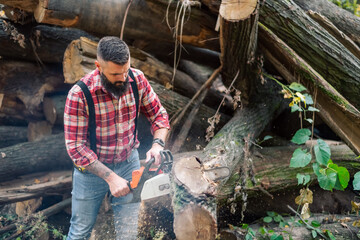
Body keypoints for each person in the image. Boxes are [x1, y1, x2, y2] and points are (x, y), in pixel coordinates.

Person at [64, 36, 170, 240]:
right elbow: (75, 148)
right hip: (90, 172)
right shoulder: (80, 94)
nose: (122, 78)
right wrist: (111, 178)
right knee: (80, 232)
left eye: (125, 70)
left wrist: (157, 145)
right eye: (115, 74)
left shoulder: (137, 79)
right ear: (98, 66)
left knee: (128, 233)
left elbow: (160, 116)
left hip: (128, 163)